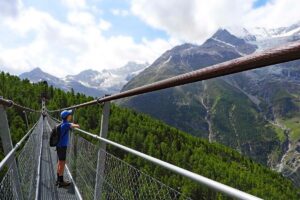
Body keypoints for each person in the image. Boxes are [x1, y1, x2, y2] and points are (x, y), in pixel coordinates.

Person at [56, 110, 80, 187]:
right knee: (62, 163)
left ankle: (58, 179)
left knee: (59, 162)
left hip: (59, 146)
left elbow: (70, 124)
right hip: (62, 147)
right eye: (70, 114)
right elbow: (77, 126)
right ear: (67, 117)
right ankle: (61, 181)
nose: (71, 115)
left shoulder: (63, 123)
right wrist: (75, 124)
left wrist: (71, 123)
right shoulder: (66, 125)